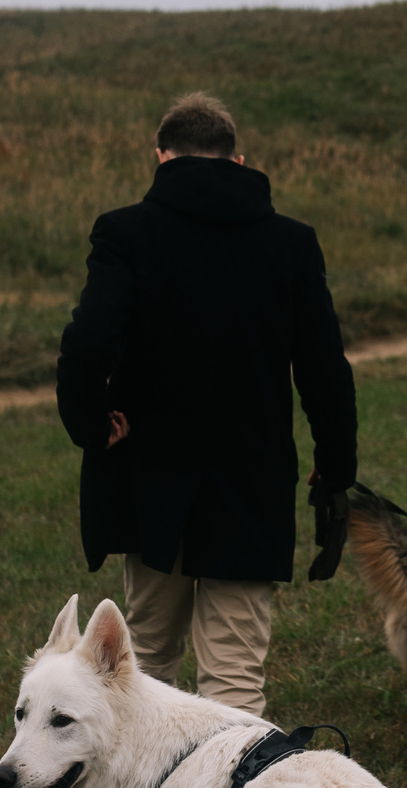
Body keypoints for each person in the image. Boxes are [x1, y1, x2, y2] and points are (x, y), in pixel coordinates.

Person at [55, 92, 357, 718]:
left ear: (160, 156)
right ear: (239, 160)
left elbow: (87, 342)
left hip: (151, 476)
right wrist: (335, 467)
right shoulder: (292, 245)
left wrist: (90, 422)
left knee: (148, 666)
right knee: (235, 681)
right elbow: (326, 371)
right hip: (251, 483)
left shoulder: (125, 232)